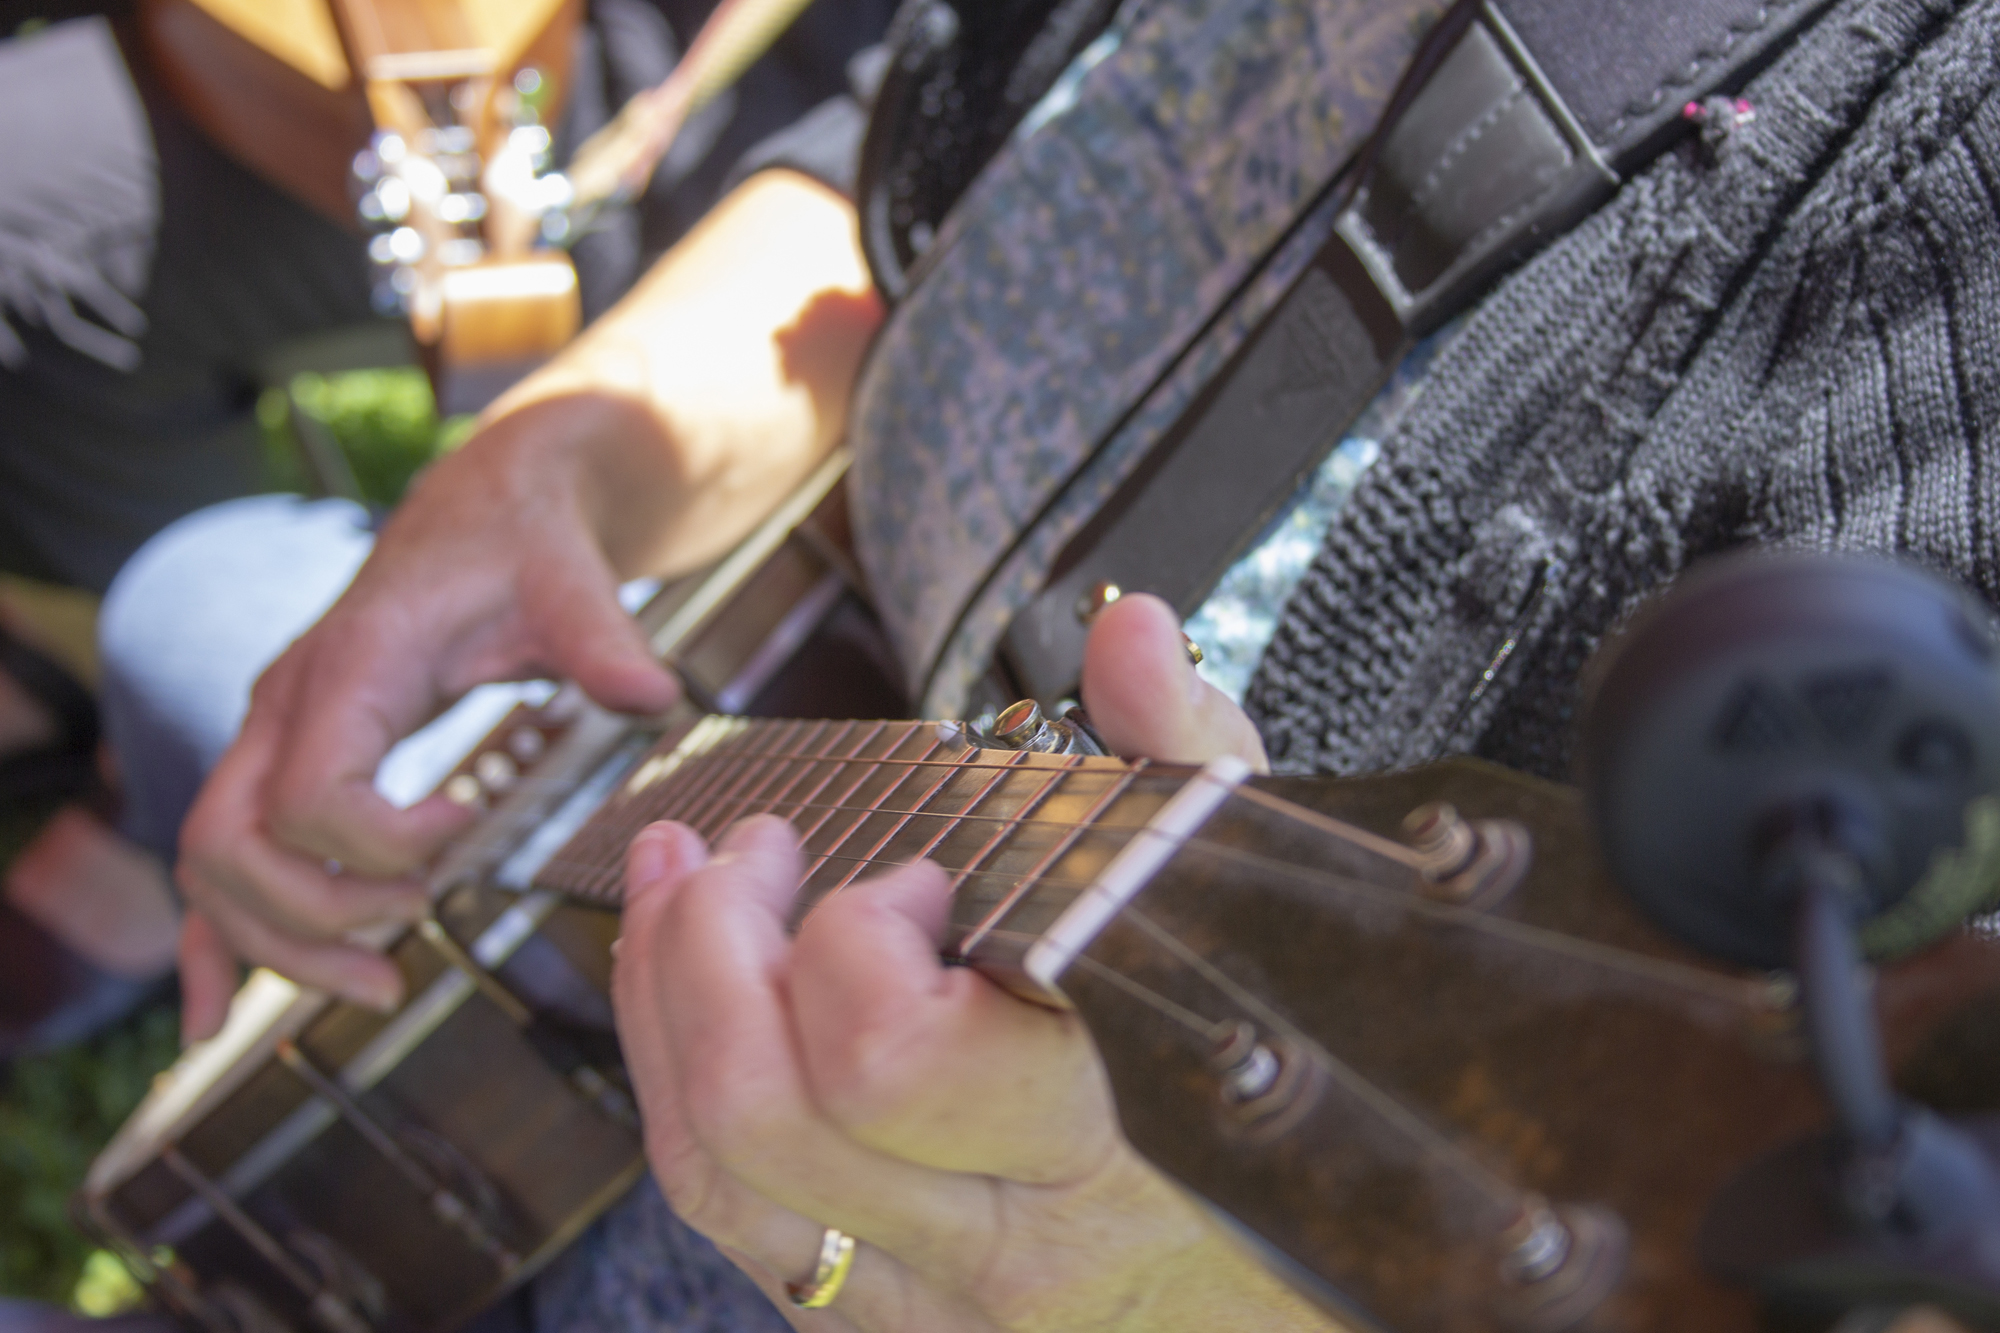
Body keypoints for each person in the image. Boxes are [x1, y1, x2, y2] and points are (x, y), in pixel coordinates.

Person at [111, 0, 2000, 1325]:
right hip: (745, 791)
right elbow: (891, 184)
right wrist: (560, 458)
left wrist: (1189, 1300)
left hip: (914, 1204)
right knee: (185, 609)